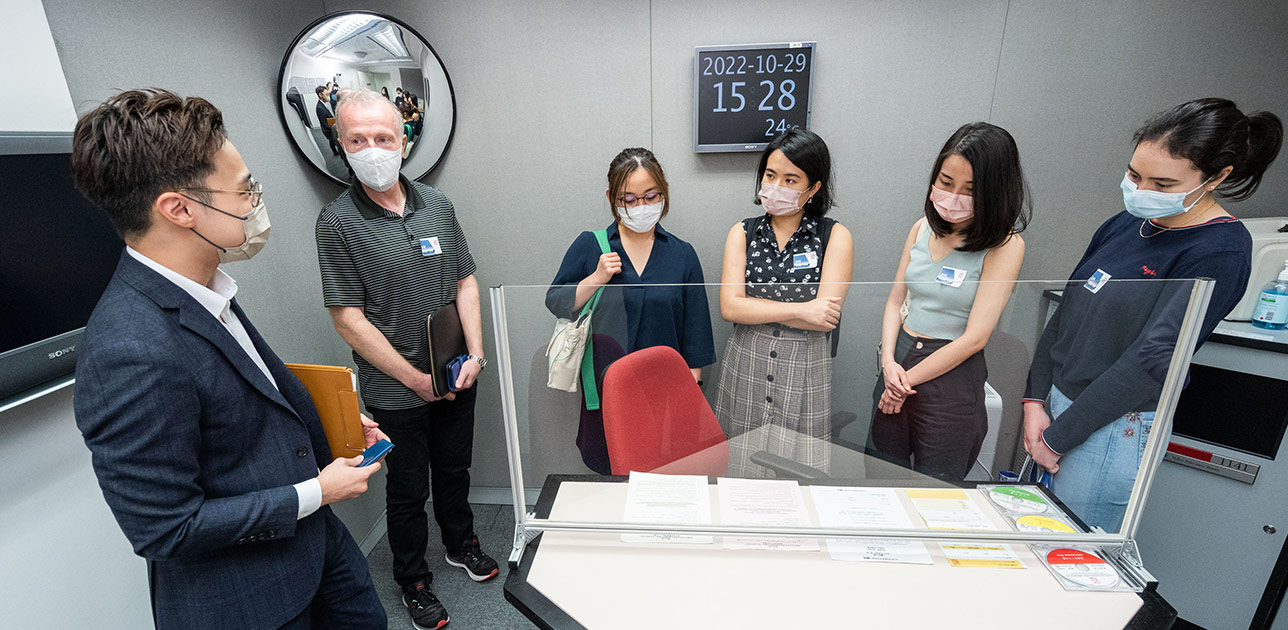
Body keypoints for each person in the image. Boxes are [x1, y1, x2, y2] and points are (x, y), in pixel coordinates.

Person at [70, 88, 386, 629]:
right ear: (179, 209)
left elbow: (242, 403)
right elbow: (166, 529)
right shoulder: (128, 349)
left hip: (318, 554)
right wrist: (316, 492)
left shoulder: (206, 288)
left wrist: (327, 427)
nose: (255, 203)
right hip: (248, 601)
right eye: (245, 190)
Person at [1024, 98, 1283, 532]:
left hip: (1112, 425)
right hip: (1056, 408)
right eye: (1133, 175)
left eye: (1162, 184)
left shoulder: (1220, 250)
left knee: (1074, 557)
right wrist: (1035, 398)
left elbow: (1153, 358)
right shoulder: (1124, 224)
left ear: (1218, 176)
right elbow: (1068, 308)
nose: (1141, 191)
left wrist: (1060, 436)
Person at [315, 88, 497, 630]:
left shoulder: (436, 204)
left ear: (404, 140)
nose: (373, 148)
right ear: (342, 146)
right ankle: (413, 580)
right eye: (358, 139)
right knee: (408, 487)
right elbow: (348, 317)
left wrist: (477, 356)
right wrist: (415, 379)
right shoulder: (337, 221)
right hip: (396, 390)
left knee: (454, 469)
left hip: (456, 373)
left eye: (383, 137)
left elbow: (465, 281)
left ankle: (461, 544)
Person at [868, 122, 1029, 480]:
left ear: (994, 192)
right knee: (879, 477)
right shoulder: (920, 227)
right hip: (899, 358)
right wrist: (889, 362)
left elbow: (976, 337)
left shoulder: (1005, 245)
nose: (952, 197)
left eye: (970, 190)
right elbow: (896, 300)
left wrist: (903, 380)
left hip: (951, 375)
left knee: (935, 490)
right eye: (945, 182)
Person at [546, 147, 716, 473]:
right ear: (611, 197)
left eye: (651, 196)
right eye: (629, 199)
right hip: (609, 389)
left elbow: (695, 328)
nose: (641, 207)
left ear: (664, 189)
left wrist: (689, 395)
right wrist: (596, 277)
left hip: (665, 391)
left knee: (665, 473)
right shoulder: (591, 245)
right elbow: (556, 301)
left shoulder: (682, 254)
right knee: (613, 470)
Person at [715, 128, 853, 477]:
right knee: (739, 470)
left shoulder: (834, 236)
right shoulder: (742, 233)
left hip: (805, 364)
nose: (776, 186)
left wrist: (757, 308)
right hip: (746, 361)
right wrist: (799, 309)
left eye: (791, 179)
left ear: (814, 188)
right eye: (770, 175)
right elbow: (730, 307)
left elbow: (825, 317)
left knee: (798, 476)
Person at [315, 85, 340, 156]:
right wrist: (335, 127)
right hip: (328, 129)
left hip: (331, 126)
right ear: (320, 95)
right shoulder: (320, 108)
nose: (328, 96)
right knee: (332, 140)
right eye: (326, 94)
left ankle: (335, 152)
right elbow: (324, 124)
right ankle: (335, 152)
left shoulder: (323, 103)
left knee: (331, 140)